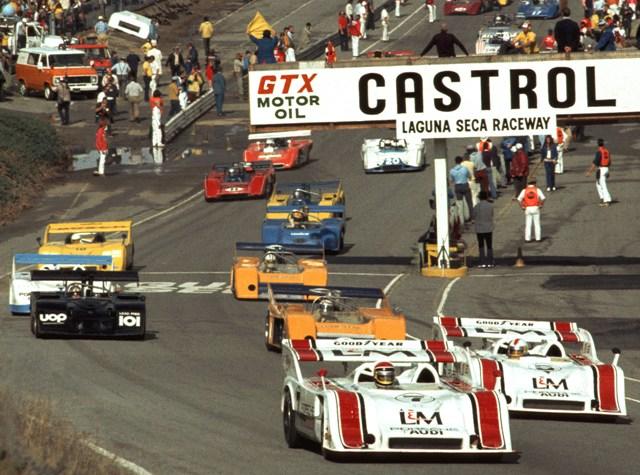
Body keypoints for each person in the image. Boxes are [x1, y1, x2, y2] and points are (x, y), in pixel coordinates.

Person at [585, 138, 612, 206]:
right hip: (606, 168)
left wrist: (589, 172)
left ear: (597, 144)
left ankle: (607, 200)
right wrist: (608, 171)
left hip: (602, 169)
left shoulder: (599, 152)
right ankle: (602, 198)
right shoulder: (607, 151)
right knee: (598, 183)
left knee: (603, 184)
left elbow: (595, 164)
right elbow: (609, 162)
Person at [518, 178, 545, 242]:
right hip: (535, 207)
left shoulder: (524, 190)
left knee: (528, 224)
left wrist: (522, 206)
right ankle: (538, 238)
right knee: (537, 224)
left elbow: (519, 199)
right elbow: (543, 198)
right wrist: (541, 204)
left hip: (528, 208)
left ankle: (527, 238)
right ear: (534, 183)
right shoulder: (537, 190)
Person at [474, 191, 494, 268]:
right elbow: (492, 215)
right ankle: (490, 261)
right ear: (486, 197)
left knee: (481, 245)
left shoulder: (476, 206)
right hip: (488, 227)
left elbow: (473, 216)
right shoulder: (490, 206)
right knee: (489, 245)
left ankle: (482, 261)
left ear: (479, 198)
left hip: (479, 228)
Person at [449, 156, 472, 223]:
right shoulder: (464, 169)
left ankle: (461, 219)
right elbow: (469, 176)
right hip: (465, 185)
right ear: (461, 161)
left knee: (460, 203)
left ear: (455, 162)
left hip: (457, 186)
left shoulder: (452, 170)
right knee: (469, 202)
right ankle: (471, 217)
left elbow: (451, 180)